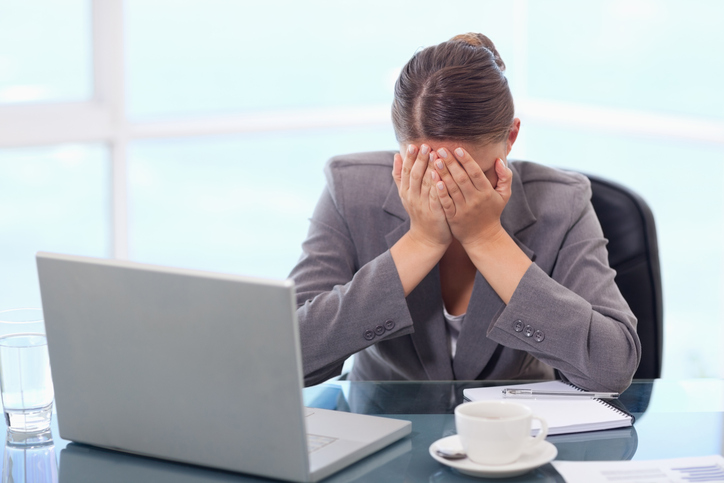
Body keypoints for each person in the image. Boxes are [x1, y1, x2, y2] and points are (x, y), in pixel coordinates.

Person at [289, 33, 640, 392]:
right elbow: (287, 357)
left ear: (511, 138)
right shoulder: (350, 190)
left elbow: (612, 368)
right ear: (401, 149)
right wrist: (420, 242)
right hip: (388, 426)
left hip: (518, 430)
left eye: (472, 175)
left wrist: (486, 238)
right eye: (429, 173)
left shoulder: (562, 202)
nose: (449, 193)